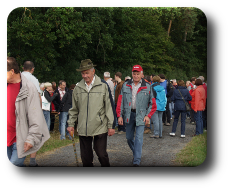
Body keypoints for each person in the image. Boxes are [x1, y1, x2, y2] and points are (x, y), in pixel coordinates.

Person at [67, 59, 116, 167]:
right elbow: (74, 108)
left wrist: (111, 125)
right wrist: (71, 124)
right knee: (86, 158)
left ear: (93, 72)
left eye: (87, 73)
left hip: (100, 126)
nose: (84, 76)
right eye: (82, 73)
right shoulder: (78, 88)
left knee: (101, 153)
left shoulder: (103, 86)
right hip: (83, 127)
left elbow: (109, 107)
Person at [7, 57, 50, 167]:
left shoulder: (28, 86)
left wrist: (32, 138)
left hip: (20, 136)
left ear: (12, 71)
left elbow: (36, 114)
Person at [116, 65, 157, 166]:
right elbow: (120, 101)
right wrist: (119, 115)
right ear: (132, 74)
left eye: (138, 74)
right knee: (129, 137)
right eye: (134, 74)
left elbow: (153, 104)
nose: (136, 76)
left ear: (142, 74)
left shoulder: (147, 87)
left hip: (141, 116)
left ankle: (136, 161)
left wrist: (148, 116)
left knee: (138, 138)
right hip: (129, 115)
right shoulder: (125, 85)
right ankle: (136, 153)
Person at [22, 60, 43, 167]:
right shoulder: (33, 79)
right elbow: (38, 96)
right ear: (32, 69)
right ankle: (32, 161)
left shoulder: (17, 77)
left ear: (23, 68)